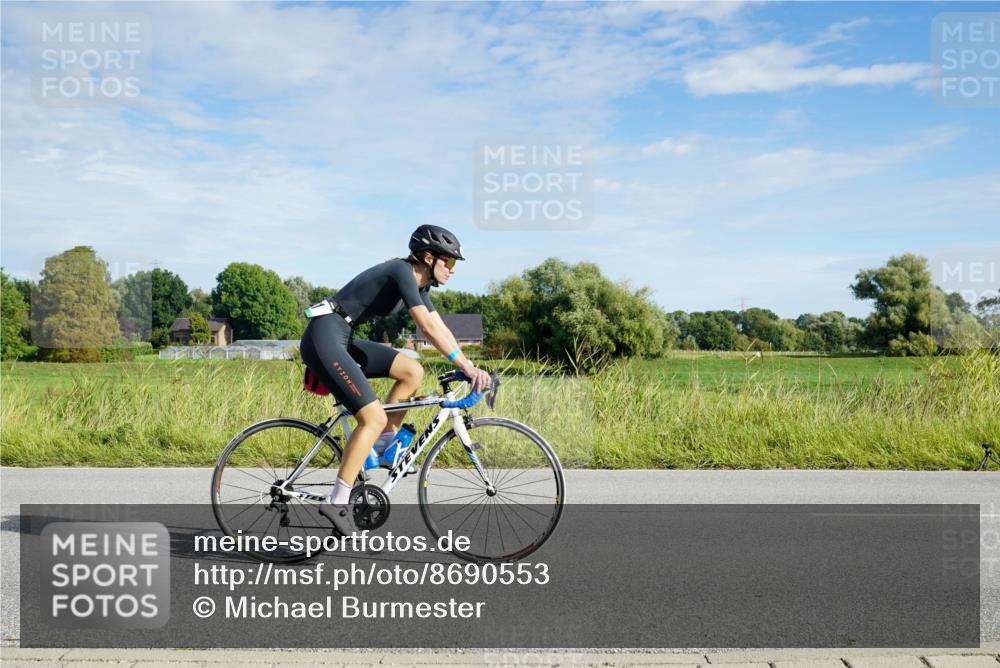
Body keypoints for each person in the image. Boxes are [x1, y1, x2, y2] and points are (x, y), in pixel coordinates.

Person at [298, 224, 492, 537]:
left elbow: (439, 326)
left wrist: (468, 364)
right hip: (324, 335)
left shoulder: (420, 286)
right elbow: (426, 329)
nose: (453, 270)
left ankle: (386, 444)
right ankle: (337, 500)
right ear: (428, 258)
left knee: (412, 370)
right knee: (371, 417)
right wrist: (467, 368)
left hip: (343, 336)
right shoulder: (402, 271)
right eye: (450, 262)